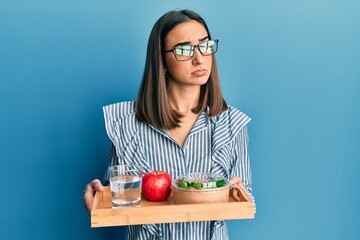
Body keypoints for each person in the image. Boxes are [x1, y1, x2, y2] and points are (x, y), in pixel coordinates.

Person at [83, 9, 254, 240]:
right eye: (184, 49)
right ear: (161, 60)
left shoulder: (232, 124)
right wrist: (97, 196)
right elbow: (117, 194)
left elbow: (246, 198)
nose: (199, 58)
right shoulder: (124, 123)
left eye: (205, 45)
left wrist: (237, 192)